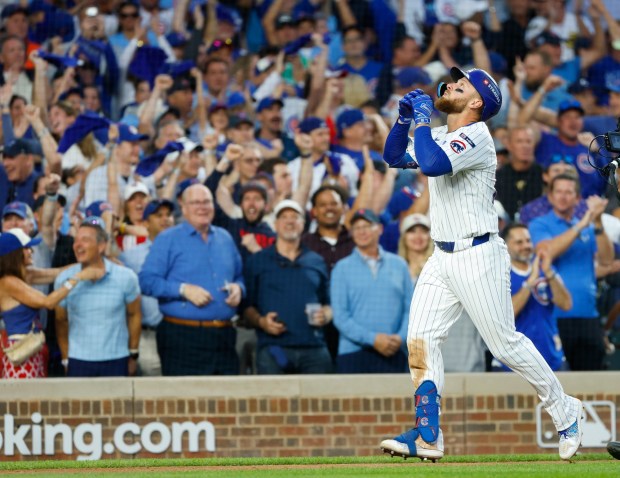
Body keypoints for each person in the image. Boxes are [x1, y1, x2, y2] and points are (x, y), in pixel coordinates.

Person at [380, 68, 584, 462]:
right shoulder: (438, 134)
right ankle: (427, 435)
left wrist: (422, 119)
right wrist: (406, 118)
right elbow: (392, 156)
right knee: (420, 340)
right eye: (454, 79)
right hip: (441, 257)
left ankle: (565, 409)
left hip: (478, 253)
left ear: (476, 102)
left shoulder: (477, 136)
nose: (452, 83)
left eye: (463, 83)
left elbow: (434, 165)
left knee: (504, 345)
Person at [139, 184, 244, 376]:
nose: (202, 207)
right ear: (184, 208)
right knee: (183, 401)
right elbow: (146, 281)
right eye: (195, 202)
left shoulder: (225, 238)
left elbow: (239, 276)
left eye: (206, 202)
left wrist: (239, 288)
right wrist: (182, 290)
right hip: (181, 336)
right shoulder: (168, 239)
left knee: (226, 402)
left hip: (224, 336)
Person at [529, 174, 612, 371]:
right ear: (550, 196)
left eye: (568, 192)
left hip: (587, 315)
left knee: (591, 383)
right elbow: (546, 252)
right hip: (554, 317)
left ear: (577, 198)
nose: (563, 196)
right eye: (558, 191)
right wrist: (580, 225)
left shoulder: (588, 227)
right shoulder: (540, 224)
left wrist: (598, 222)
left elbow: (607, 260)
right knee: (557, 380)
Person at [243, 200, 332, 375]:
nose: (289, 221)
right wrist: (261, 322)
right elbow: (246, 307)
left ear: (303, 224)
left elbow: (329, 303)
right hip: (273, 349)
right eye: (284, 217)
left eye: (295, 217)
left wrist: (325, 315)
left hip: (313, 348)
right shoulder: (257, 260)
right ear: (275, 225)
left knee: (323, 401)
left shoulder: (317, 261)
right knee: (273, 402)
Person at [0, 229, 102, 378]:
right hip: (21, 353)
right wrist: (77, 278)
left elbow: (59, 272)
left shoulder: (26, 274)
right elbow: (48, 302)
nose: (31, 252)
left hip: (33, 349)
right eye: (26, 248)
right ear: (15, 254)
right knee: (28, 400)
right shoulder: (8, 282)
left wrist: (91, 264)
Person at [54, 217, 142, 377]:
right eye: (76, 240)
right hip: (78, 360)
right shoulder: (64, 279)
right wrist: (66, 359)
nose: (77, 245)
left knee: (117, 403)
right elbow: (60, 321)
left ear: (101, 246)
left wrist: (133, 354)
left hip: (117, 358)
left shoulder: (126, 277)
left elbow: (134, 314)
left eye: (85, 240)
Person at [331, 209, 412, 373]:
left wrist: (400, 337)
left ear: (380, 229)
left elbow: (410, 309)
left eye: (367, 226)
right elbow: (340, 317)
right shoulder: (342, 268)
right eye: (356, 228)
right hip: (354, 354)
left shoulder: (399, 265)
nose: (362, 232)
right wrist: (373, 339)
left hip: (395, 351)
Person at [498, 223, 572, 372]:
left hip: (551, 358)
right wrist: (530, 282)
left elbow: (566, 304)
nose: (526, 246)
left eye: (528, 241)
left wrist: (548, 272)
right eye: (519, 242)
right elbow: (505, 315)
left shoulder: (545, 268)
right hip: (513, 364)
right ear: (505, 246)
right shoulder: (499, 274)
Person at [119, 199, 175, 376]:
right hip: (148, 334)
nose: (165, 219)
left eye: (168, 215)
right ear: (145, 223)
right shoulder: (130, 256)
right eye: (159, 215)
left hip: (180, 330)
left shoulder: (186, 251)